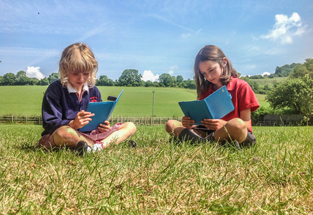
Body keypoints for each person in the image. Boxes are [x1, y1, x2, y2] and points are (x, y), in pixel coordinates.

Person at [38, 43, 136, 155]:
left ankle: (94, 147)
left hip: (91, 134)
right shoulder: (55, 90)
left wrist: (103, 126)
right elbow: (49, 123)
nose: (81, 78)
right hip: (69, 133)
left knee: (130, 126)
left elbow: (99, 117)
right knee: (63, 133)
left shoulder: (93, 90)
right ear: (64, 68)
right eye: (75, 73)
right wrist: (73, 124)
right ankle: (106, 144)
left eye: (86, 73)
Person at [165, 45, 259, 147]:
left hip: (238, 134)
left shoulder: (242, 86)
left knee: (237, 124)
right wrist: (189, 122)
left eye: (211, 70)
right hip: (208, 133)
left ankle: (201, 143)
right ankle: (211, 143)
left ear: (224, 62)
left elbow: (247, 124)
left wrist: (223, 125)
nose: (208, 77)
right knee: (170, 124)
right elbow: (200, 122)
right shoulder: (205, 89)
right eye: (204, 73)